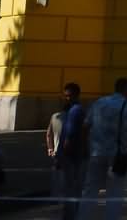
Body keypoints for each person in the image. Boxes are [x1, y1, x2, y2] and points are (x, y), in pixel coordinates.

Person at [81, 77, 127, 218]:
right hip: (117, 155)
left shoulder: (99, 102)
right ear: (125, 88)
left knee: (90, 189)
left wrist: (85, 145)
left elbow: (85, 125)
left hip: (96, 151)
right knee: (115, 192)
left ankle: (82, 216)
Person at [52, 82, 88, 220]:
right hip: (75, 154)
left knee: (71, 187)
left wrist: (62, 155)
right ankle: (72, 214)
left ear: (77, 95)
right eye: (65, 95)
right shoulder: (71, 110)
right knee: (74, 187)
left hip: (72, 155)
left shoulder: (75, 110)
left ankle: (70, 215)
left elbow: (70, 135)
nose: (67, 98)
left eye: (70, 96)